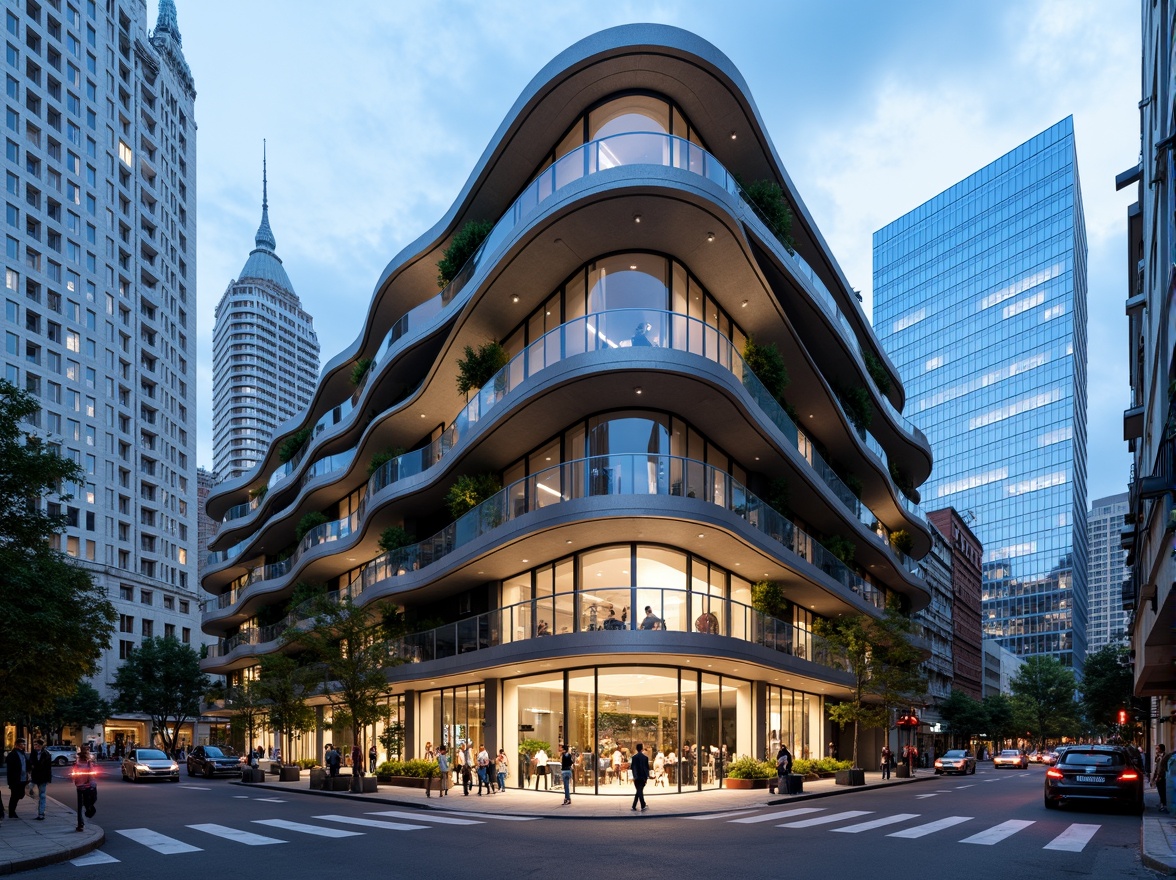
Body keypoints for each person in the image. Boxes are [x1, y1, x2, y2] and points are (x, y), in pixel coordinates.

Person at [72, 745, 98, 833]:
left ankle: (80, 824)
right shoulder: (88, 763)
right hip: (86, 786)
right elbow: (91, 775)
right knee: (88, 802)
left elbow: (74, 774)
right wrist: (92, 784)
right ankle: (88, 811)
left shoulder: (78, 763)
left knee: (80, 806)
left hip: (80, 786)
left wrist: (76, 781)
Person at [28, 738, 52, 820]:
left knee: (42, 795)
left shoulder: (46, 754)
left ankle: (41, 813)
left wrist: (48, 778)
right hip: (34, 777)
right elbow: (30, 763)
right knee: (28, 788)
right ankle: (32, 794)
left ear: (41, 746)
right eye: (35, 744)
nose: (36, 746)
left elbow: (48, 768)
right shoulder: (33, 753)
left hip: (42, 777)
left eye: (37, 745)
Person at [6, 737, 29, 819]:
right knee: (14, 796)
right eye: (23, 744)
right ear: (18, 745)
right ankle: (12, 812)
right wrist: (11, 781)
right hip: (15, 779)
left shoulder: (23, 754)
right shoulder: (13, 754)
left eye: (24, 744)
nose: (24, 745)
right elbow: (10, 769)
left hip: (23, 778)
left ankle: (12, 811)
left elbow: (27, 764)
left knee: (21, 794)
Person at [630, 742, 650, 812]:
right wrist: (647, 776)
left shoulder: (634, 758)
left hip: (636, 777)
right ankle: (642, 805)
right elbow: (647, 768)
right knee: (640, 791)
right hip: (643, 777)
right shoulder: (645, 758)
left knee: (639, 791)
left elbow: (632, 767)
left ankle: (634, 805)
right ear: (642, 748)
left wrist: (634, 776)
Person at [1157, 744, 1169, 813]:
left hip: (1162, 777)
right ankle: (1162, 804)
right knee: (1160, 791)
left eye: (1158, 749)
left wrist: (1159, 777)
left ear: (1161, 749)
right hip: (1159, 776)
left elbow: (1162, 768)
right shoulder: (1159, 756)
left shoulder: (1165, 756)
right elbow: (1157, 767)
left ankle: (1164, 805)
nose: (1157, 750)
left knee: (1162, 791)